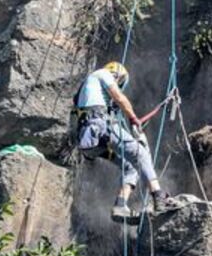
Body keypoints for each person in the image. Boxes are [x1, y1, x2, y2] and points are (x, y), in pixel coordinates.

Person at [74, 62, 177, 223]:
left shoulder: (87, 88)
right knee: (140, 153)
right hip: (99, 125)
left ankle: (120, 206)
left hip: (88, 142)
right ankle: (159, 197)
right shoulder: (103, 74)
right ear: (117, 75)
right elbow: (120, 98)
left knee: (131, 167)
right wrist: (134, 119)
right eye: (120, 82)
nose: (119, 85)